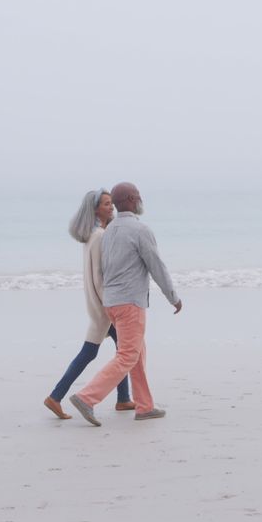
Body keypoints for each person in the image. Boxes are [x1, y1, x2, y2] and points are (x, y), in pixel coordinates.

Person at [69, 182, 182, 426]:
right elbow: (157, 266)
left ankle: (144, 406)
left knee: (137, 353)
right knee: (128, 355)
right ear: (131, 199)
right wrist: (173, 296)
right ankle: (87, 398)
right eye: (138, 195)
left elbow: (104, 270)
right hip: (130, 302)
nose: (140, 199)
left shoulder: (109, 231)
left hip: (112, 302)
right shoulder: (140, 230)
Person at [43, 189, 136, 419]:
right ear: (95, 209)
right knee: (98, 353)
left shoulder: (94, 233)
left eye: (111, 203)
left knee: (118, 350)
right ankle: (55, 397)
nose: (111, 207)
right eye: (106, 204)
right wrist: (110, 306)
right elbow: (98, 276)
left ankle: (123, 398)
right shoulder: (99, 236)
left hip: (98, 304)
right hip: (104, 305)